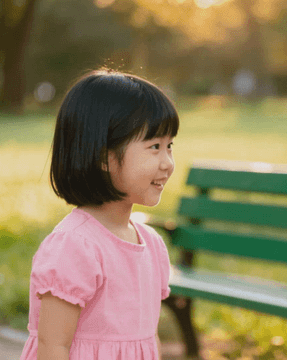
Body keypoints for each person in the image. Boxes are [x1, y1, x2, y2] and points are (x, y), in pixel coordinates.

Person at [19, 69, 179, 360]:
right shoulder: (75, 246)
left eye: (170, 147)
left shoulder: (152, 245)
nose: (167, 162)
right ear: (104, 158)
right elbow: (53, 346)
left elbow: (148, 339)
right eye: (154, 147)